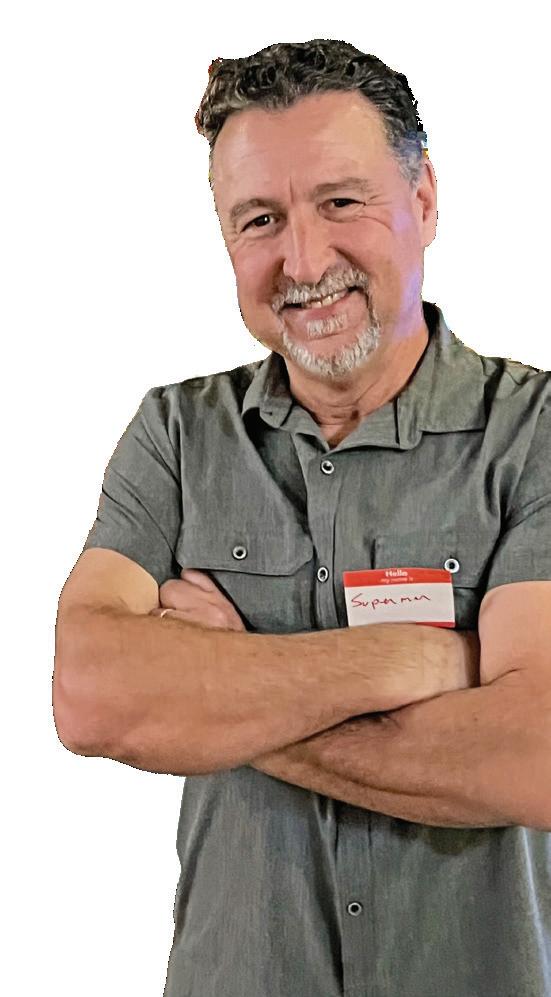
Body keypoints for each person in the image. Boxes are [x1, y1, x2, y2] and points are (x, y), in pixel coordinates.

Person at [53, 39, 551, 997]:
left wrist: (217, 697)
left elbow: (534, 756)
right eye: (260, 219)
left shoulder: (534, 434)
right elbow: (90, 695)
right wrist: (410, 662)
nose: (304, 259)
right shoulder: (175, 436)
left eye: (340, 202)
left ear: (423, 200)